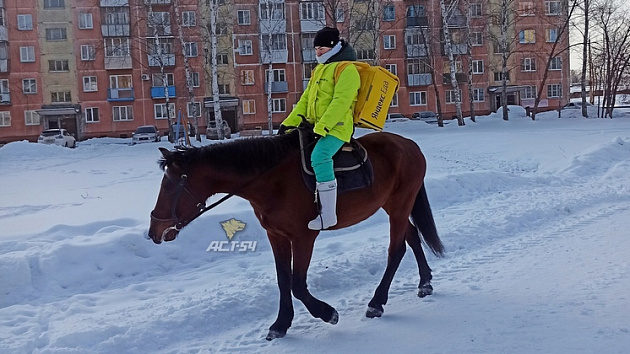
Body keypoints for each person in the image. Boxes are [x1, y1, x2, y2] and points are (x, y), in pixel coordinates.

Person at [278, 26, 360, 230]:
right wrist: (289, 123)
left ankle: (328, 215)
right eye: (316, 49)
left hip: (337, 128)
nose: (318, 53)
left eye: (322, 49)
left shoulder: (346, 69)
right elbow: (305, 100)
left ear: (333, 47)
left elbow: (341, 102)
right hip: (316, 126)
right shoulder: (319, 70)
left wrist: (323, 127)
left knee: (320, 157)